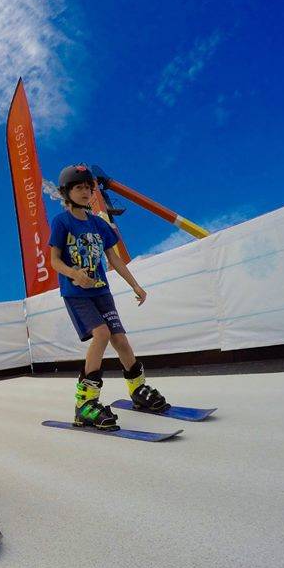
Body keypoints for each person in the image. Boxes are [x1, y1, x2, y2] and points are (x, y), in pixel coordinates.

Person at [48, 164, 170, 430]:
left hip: (102, 291)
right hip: (76, 293)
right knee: (101, 334)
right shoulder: (61, 222)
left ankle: (138, 390)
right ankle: (85, 404)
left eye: (88, 187)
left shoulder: (98, 224)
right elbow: (54, 260)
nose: (86, 192)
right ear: (66, 192)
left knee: (121, 341)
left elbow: (113, 258)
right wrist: (73, 273)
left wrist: (135, 285)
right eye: (79, 187)